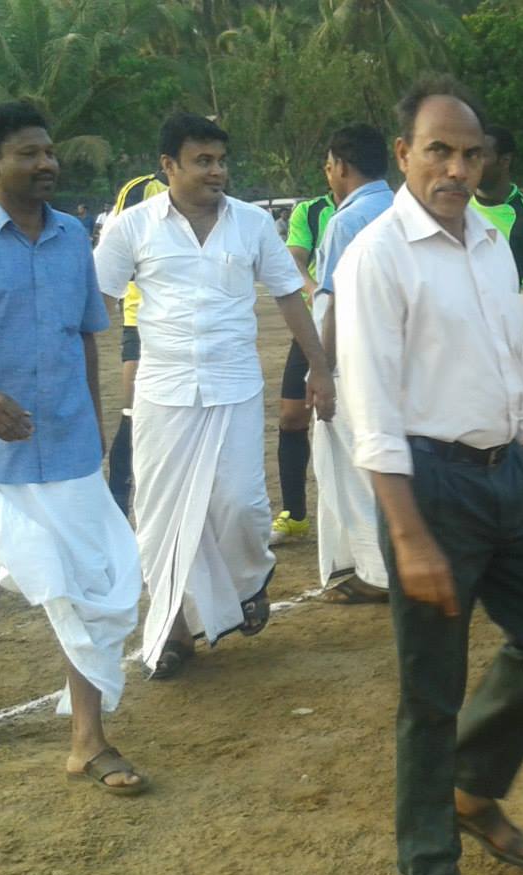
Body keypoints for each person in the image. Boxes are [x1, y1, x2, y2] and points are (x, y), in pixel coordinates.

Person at [335, 75, 523, 875]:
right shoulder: (376, 255)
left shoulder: (490, 240)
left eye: (470, 153)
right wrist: (407, 534)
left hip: (504, 476)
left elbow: (507, 368)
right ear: (404, 154)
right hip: (430, 486)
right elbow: (369, 410)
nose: (456, 166)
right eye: (438, 149)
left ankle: (473, 788)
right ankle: (425, 867)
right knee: (430, 688)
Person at [0, 102, 145, 792]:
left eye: (48, 151)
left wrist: (96, 429)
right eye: (28, 153)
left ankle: (88, 739)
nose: (47, 163)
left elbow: (85, 334)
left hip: (68, 445)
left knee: (86, 583)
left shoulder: (76, 236)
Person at [94, 113, 334, 679]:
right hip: (163, 393)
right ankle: (173, 631)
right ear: (168, 166)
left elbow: (289, 297)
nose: (217, 171)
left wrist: (320, 370)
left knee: (241, 506)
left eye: (221, 161)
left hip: (233, 389)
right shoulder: (132, 228)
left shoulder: (251, 224)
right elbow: (93, 303)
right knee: (159, 518)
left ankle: (250, 582)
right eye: (203, 161)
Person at [311, 123, 393, 603]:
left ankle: (377, 569)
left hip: (353, 362)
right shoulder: (403, 208)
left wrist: (323, 370)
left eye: (328, 165)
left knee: (357, 465)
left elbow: (334, 303)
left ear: (341, 166)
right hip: (396, 359)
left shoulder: (346, 221)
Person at [270, 190, 336, 546]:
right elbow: (295, 259)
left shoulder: (376, 209)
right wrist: (314, 289)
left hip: (361, 331)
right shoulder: (311, 212)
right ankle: (295, 514)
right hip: (313, 328)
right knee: (292, 416)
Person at [102, 171, 169, 517]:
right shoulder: (141, 188)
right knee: (133, 414)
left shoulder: (215, 186)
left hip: (188, 327)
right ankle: (117, 510)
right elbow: (117, 247)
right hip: (140, 321)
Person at [470, 125, 523, 281]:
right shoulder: (453, 212)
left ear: (505, 161)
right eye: (469, 155)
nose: (471, 164)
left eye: (480, 156)